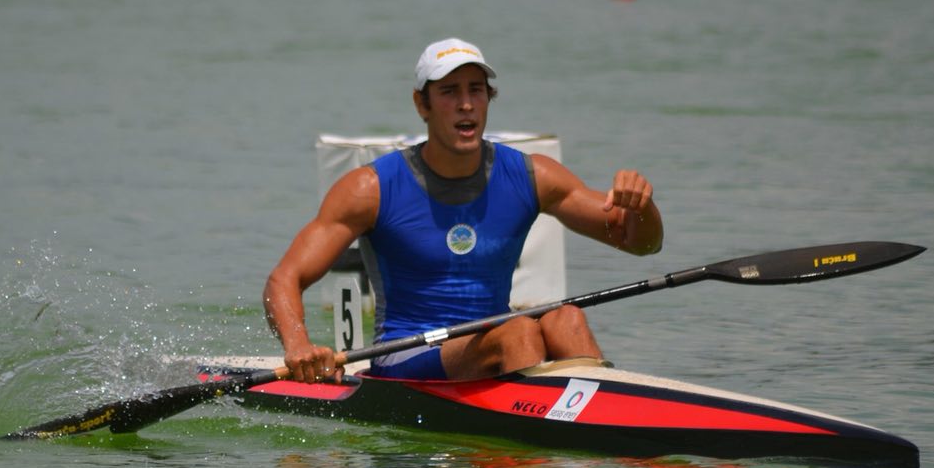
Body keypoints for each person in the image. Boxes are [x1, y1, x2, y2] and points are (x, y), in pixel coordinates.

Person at [263, 37, 663, 384]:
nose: (466, 104)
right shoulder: (370, 188)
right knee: (518, 332)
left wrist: (642, 207)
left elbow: (639, 243)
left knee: (567, 318)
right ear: (422, 104)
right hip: (405, 356)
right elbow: (285, 279)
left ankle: (602, 429)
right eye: (450, 92)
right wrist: (298, 346)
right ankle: (527, 464)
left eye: (476, 90)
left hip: (498, 342)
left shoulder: (533, 175)